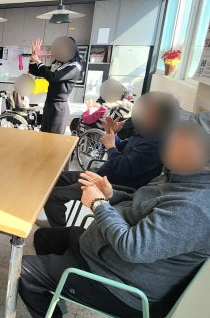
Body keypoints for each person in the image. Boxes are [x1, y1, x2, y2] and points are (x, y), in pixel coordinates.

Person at [19, 120, 210, 318]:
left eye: (183, 138)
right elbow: (138, 203)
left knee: (20, 271)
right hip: (105, 254)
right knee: (43, 237)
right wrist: (110, 195)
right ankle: (57, 297)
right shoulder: (178, 178)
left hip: (119, 285)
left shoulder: (196, 209)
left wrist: (98, 204)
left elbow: (133, 248)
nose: (169, 140)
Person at [43, 91, 178, 228]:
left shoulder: (156, 143)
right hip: (102, 175)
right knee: (56, 178)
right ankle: (55, 219)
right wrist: (112, 133)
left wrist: (110, 146)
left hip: (114, 186)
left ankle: (57, 230)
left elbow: (125, 168)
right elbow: (122, 146)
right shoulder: (146, 133)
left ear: (159, 117)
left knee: (52, 196)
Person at [29, 36, 83, 134]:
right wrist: (34, 57)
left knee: (53, 139)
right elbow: (35, 71)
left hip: (59, 108)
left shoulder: (73, 68)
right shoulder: (58, 65)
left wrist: (38, 61)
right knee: (43, 136)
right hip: (49, 104)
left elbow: (52, 77)